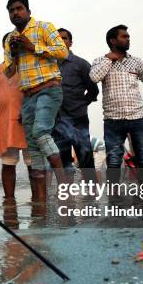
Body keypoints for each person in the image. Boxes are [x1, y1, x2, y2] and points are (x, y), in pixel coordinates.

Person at [3, 0, 69, 200]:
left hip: (49, 88)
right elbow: (8, 73)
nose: (15, 13)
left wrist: (32, 47)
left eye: (19, 8)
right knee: (33, 146)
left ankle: (65, 188)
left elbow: (63, 52)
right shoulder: (9, 39)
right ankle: (40, 202)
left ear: (28, 11)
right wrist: (14, 54)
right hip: (28, 95)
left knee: (41, 132)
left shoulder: (43, 27)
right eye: (11, 10)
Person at [89, 24, 143, 186]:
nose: (128, 39)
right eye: (124, 36)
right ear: (113, 40)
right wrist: (109, 59)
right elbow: (94, 78)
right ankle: (115, 197)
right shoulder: (100, 61)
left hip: (137, 117)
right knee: (113, 160)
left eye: (128, 36)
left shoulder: (135, 62)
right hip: (113, 120)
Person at [0, 33, 34, 200]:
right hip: (6, 123)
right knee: (8, 164)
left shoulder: (31, 66)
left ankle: (38, 201)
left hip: (30, 121)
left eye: (16, 42)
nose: (13, 45)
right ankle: (9, 202)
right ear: (4, 46)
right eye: (9, 42)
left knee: (33, 164)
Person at [51, 28, 99, 183]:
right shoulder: (47, 66)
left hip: (78, 120)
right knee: (63, 162)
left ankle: (92, 199)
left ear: (70, 42)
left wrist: (81, 104)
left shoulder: (81, 64)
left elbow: (93, 90)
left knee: (86, 160)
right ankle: (67, 200)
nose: (61, 41)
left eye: (64, 38)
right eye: (57, 38)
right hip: (56, 121)